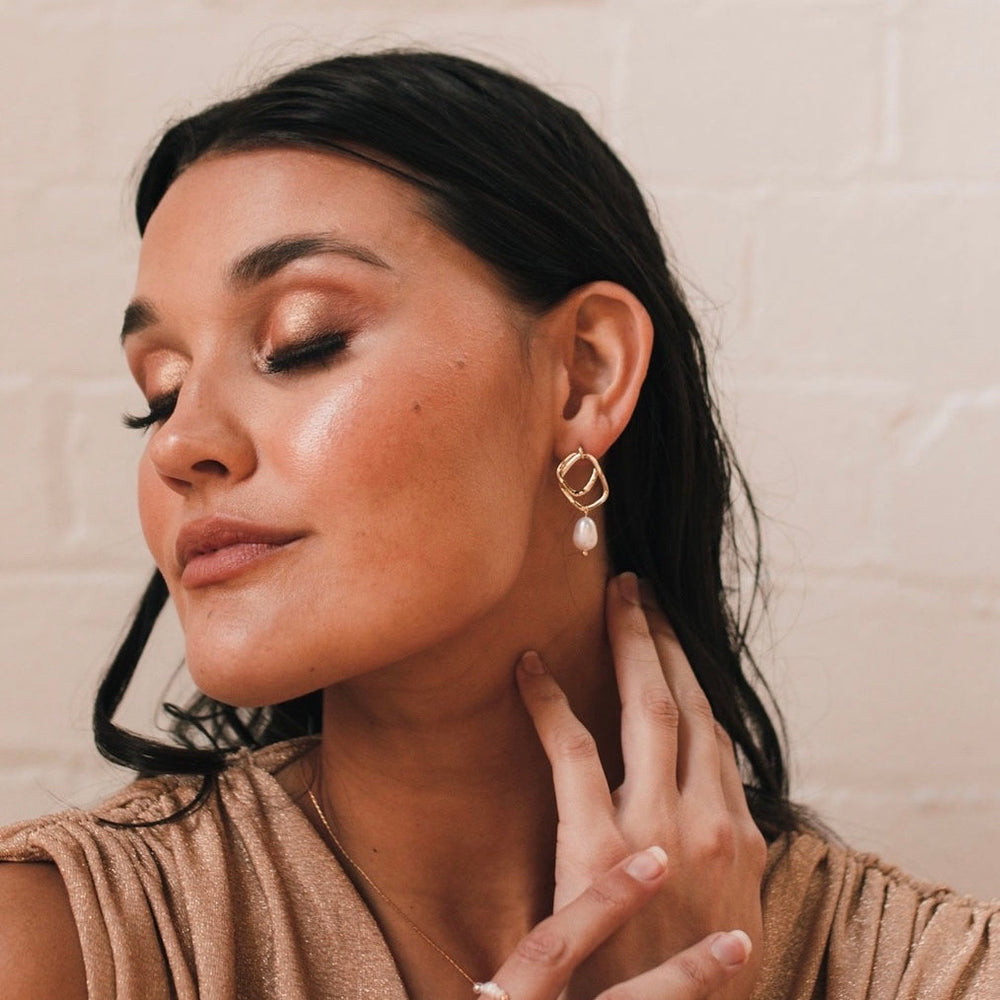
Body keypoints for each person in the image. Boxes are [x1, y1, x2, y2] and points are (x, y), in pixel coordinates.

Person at [0, 49, 997, 1000]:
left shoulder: (935, 974)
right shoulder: (54, 947)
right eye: (160, 391)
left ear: (584, 374)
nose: (180, 443)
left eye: (304, 341)